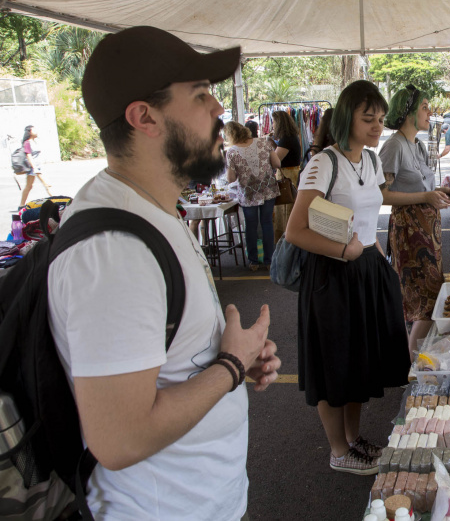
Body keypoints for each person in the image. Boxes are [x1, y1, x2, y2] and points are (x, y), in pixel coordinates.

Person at [48, 26, 281, 519]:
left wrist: (227, 360)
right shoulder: (114, 251)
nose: (219, 110)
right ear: (144, 117)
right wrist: (230, 367)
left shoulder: (150, 211)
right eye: (200, 96)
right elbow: (120, 438)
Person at [286, 80, 410, 475]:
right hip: (333, 276)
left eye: (380, 118)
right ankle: (338, 450)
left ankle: (354, 440)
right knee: (334, 364)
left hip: (367, 270)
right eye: (367, 118)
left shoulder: (370, 161)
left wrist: (424, 197)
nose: (377, 126)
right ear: (346, 118)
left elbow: (374, 203)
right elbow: (295, 230)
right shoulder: (324, 162)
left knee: (359, 362)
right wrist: (345, 251)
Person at [379, 85, 450, 353]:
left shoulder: (417, 145)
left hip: (427, 231)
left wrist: (438, 193)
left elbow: (422, 187)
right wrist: (425, 196)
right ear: (408, 111)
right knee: (422, 298)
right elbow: (381, 195)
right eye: (424, 107)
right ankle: (410, 360)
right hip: (409, 232)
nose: (429, 112)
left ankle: (413, 358)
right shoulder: (394, 146)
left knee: (430, 295)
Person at [224, 120, 281, 270]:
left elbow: (231, 179)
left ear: (230, 135)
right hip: (268, 189)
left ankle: (254, 261)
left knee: (251, 226)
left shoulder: (232, 151)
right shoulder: (264, 142)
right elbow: (277, 164)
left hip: (248, 193)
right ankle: (269, 260)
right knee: (267, 223)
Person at [270, 110, 302, 243]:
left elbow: (275, 160)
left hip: (287, 181)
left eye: (273, 122)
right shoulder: (292, 137)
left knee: (284, 215)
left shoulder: (286, 140)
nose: (272, 125)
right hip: (292, 177)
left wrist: (269, 146)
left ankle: (284, 245)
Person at [18, 124, 52, 207]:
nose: (36, 131)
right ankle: (57, 201)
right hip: (34, 168)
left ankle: (21, 205)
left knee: (29, 186)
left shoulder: (34, 141)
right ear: (29, 132)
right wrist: (35, 168)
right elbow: (28, 156)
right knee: (47, 184)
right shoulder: (27, 143)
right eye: (34, 130)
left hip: (37, 167)